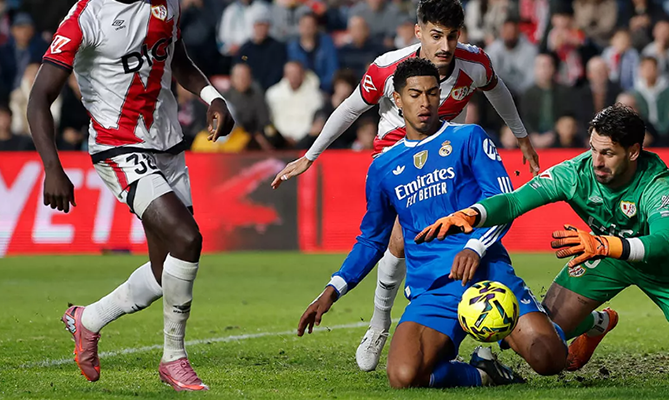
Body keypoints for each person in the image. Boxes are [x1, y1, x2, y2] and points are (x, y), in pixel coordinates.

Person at [271, 0, 540, 372]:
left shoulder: (475, 64)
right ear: (418, 32)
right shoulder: (387, 68)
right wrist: (310, 155)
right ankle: (379, 323)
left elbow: (498, 91)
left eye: (451, 37)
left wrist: (521, 135)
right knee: (398, 237)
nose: (444, 46)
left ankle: (477, 336)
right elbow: (350, 108)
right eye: (435, 36)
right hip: (395, 151)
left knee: (466, 228)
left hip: (448, 153)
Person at [297, 58, 567, 388]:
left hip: (486, 274)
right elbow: (372, 240)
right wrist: (333, 290)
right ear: (397, 99)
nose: (425, 103)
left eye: (432, 93)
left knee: (549, 359)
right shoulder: (383, 167)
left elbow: (502, 201)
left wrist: (475, 247)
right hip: (433, 289)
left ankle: (554, 323)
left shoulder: (468, 137)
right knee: (403, 376)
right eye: (415, 95)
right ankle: (483, 374)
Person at [417, 104, 669, 380]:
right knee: (543, 335)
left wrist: (603, 245)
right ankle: (597, 324)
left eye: (608, 153)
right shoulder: (576, 173)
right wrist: (473, 214)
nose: (596, 161)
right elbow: (514, 202)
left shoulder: (657, 183)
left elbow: (664, 244)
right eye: (593, 149)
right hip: (608, 256)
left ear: (633, 152)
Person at [28, 0, 235, 391]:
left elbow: (177, 59)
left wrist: (213, 97)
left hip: (167, 144)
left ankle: (87, 320)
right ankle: (174, 358)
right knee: (187, 239)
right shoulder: (86, 18)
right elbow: (39, 97)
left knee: (164, 272)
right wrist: (52, 168)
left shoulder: (167, 4)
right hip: (118, 147)